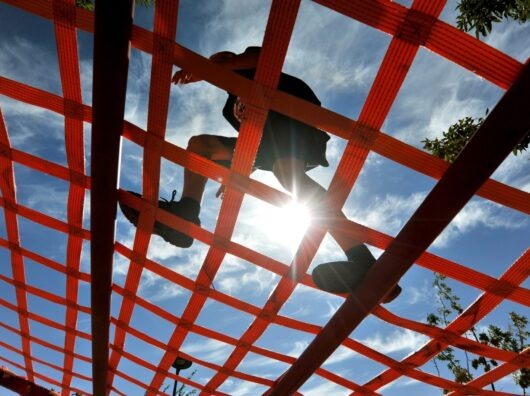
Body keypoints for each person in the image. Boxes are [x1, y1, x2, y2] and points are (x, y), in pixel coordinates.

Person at [120, 46, 401, 303]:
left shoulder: (255, 66)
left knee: (288, 174)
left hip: (294, 120)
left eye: (223, 61)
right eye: (214, 64)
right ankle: (186, 213)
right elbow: (250, 142)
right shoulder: (229, 107)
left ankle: (362, 259)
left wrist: (210, 68)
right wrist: (236, 172)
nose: (216, 67)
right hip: (266, 145)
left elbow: (262, 56)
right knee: (200, 145)